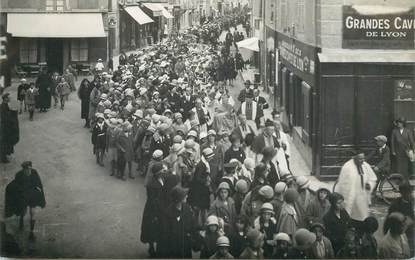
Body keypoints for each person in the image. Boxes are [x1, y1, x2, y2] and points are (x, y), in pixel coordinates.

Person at [4, 161, 46, 241]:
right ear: (23, 169)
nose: (27, 170)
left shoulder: (34, 172)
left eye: (29, 168)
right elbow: (15, 186)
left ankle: (31, 232)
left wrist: (39, 191)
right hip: (23, 195)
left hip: (33, 195)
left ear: (31, 168)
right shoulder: (19, 175)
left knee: (33, 212)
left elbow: (39, 183)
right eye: (26, 169)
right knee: (23, 211)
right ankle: (21, 220)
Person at [334, 152, 377, 222]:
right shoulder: (347, 167)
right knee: (348, 215)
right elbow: (342, 183)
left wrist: (369, 185)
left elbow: (373, 178)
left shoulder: (365, 166)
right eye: (360, 159)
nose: (362, 160)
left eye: (363, 158)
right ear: (354, 158)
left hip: (362, 196)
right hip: (350, 196)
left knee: (362, 216)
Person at [157, 186, 197, 258]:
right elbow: (165, 233)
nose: (187, 196)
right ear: (179, 199)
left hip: (185, 244)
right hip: (174, 246)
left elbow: (191, 224)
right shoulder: (168, 213)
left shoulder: (187, 208)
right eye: (184, 195)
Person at [140, 162, 166, 257]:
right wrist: (156, 213)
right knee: (151, 227)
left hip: (159, 206)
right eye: (162, 170)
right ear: (158, 172)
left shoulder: (161, 179)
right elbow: (153, 200)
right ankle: (151, 248)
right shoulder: (151, 184)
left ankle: (158, 247)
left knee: (159, 228)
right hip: (153, 208)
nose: (164, 171)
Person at [0, 93, 19, 163]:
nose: (10, 98)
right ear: (5, 98)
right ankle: (3, 158)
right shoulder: (3, 107)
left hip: (6, 128)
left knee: (5, 142)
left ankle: (4, 156)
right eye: (8, 97)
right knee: (4, 143)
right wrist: (13, 113)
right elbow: (6, 118)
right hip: (5, 128)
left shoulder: (5, 105)